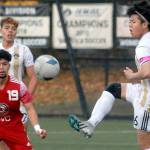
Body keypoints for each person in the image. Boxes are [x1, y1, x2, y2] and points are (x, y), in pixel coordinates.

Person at [68, 1, 150, 150]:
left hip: (147, 100)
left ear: (145, 24)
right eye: (129, 22)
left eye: (133, 22)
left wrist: (132, 76)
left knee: (145, 146)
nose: (130, 25)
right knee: (114, 89)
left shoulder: (144, 45)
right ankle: (91, 123)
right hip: (142, 90)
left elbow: (147, 71)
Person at [0, 17, 37, 149]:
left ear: (16, 32)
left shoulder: (23, 50)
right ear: (1, 30)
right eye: (7, 28)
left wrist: (25, 99)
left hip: (17, 102)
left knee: (18, 139)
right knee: (3, 142)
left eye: (13, 29)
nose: (10, 31)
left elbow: (33, 77)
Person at [0, 49, 47, 149]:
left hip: (13, 127)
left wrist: (37, 128)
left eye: (4, 64)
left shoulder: (19, 86)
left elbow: (30, 108)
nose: (1, 67)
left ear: (9, 65)